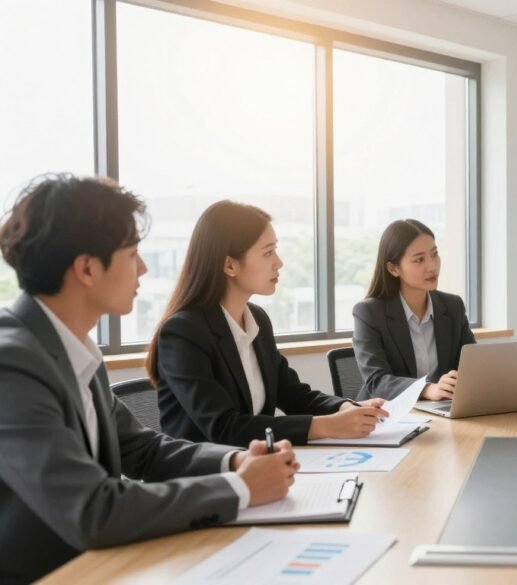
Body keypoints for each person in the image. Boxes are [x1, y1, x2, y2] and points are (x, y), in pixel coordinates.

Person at [0, 176, 298, 584]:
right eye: (132, 254)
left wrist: (234, 460)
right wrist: (240, 489)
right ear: (87, 268)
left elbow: (142, 449)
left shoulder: (72, 346)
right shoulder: (12, 362)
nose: (142, 268)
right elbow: (92, 509)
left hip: (103, 565)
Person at [148, 201, 387, 447]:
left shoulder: (257, 320)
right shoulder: (183, 333)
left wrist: (347, 407)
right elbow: (223, 427)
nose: (279, 262)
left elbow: (293, 394)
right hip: (203, 478)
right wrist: (324, 426)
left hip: (255, 467)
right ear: (230, 265)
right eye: (267, 252)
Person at [352, 219, 475, 401]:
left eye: (435, 255)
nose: (432, 266)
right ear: (393, 268)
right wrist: (427, 389)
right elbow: (377, 381)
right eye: (419, 259)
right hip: (386, 416)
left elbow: (471, 367)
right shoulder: (369, 313)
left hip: (440, 412)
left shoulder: (453, 306)